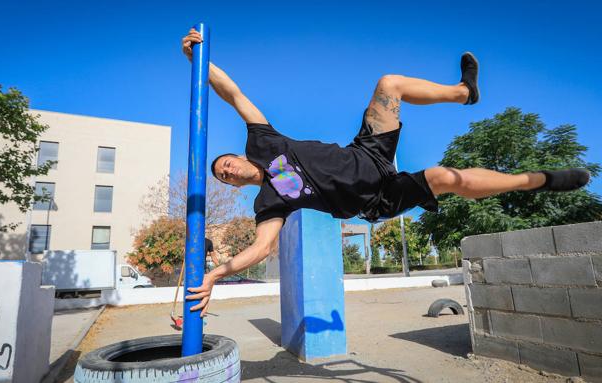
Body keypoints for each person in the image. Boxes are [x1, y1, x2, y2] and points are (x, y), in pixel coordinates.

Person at [181, 29, 590, 316]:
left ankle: (463, 93)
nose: (228, 170)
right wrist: (217, 273)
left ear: (240, 155)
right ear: (232, 184)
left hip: (368, 152)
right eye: (222, 175)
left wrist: (201, 60)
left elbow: (234, 94)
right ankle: (540, 180)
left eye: (226, 162)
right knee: (448, 178)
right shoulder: (270, 202)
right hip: (378, 197)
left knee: (390, 83)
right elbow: (261, 250)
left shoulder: (264, 143)